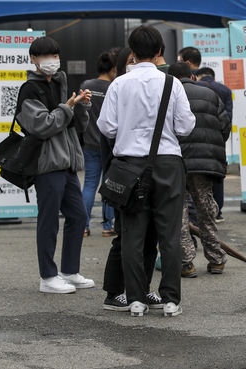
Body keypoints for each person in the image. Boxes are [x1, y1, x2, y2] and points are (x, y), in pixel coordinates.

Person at [98, 25, 196, 317]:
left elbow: (107, 127)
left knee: (132, 234)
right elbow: (186, 126)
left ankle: (136, 299)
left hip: (129, 167)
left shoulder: (118, 84)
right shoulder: (171, 83)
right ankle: (170, 300)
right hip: (168, 164)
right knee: (168, 234)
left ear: (131, 51)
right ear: (159, 52)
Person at [16, 37, 95, 294]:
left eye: (54, 55)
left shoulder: (60, 82)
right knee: (48, 221)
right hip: (46, 164)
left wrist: (81, 106)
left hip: (67, 162)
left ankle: (69, 271)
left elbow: (74, 125)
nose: (51, 61)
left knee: (78, 215)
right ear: (33, 59)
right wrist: (67, 107)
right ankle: (47, 277)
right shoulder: (29, 89)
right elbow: (42, 125)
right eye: (45, 56)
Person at [100, 47, 162, 312]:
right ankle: (114, 293)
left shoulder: (149, 87)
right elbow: (107, 130)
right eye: (130, 61)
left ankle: (142, 290)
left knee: (150, 236)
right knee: (124, 237)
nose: (135, 65)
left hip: (152, 169)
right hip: (125, 172)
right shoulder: (119, 89)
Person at [168, 62, 231, 277]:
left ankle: (186, 262)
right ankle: (216, 260)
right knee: (206, 209)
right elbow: (224, 125)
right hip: (204, 163)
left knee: (179, 211)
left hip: (175, 161)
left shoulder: (167, 94)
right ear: (193, 77)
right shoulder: (210, 93)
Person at [80, 52, 116, 238]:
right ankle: (107, 226)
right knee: (108, 185)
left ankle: (84, 226)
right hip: (108, 145)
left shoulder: (86, 86)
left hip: (89, 144)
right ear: (113, 69)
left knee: (89, 185)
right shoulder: (114, 87)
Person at [195, 66, 232, 223]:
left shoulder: (195, 88)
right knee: (217, 174)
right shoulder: (224, 90)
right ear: (213, 78)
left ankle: (198, 212)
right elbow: (228, 117)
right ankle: (217, 211)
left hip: (198, 138)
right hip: (217, 138)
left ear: (197, 77)